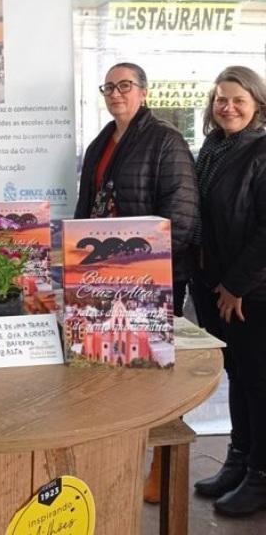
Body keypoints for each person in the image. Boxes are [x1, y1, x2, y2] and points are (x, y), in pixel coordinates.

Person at [75, 62, 199, 502]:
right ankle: (116, 461)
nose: (115, 93)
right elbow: (85, 209)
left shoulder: (166, 141)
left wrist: (145, 269)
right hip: (101, 282)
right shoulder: (100, 143)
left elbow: (182, 219)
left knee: (152, 380)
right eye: (108, 87)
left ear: (143, 92)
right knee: (108, 377)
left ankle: (160, 468)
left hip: (153, 280)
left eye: (124, 85)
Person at [191, 66, 266, 517]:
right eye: (221, 99)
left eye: (238, 99)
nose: (228, 107)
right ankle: (238, 461)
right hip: (216, 286)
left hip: (252, 292)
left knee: (259, 383)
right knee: (239, 376)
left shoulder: (261, 149)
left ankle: (260, 476)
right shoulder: (214, 148)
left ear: (257, 103)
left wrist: (236, 285)